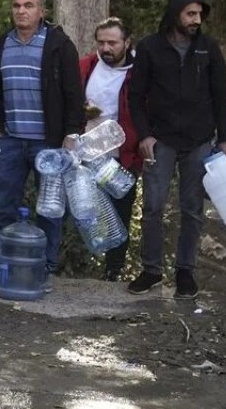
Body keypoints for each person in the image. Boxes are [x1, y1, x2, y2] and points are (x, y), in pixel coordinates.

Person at [127, 0, 226, 300]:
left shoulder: (209, 49)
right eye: (190, 14)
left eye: (199, 15)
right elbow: (136, 96)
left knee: (192, 209)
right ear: (175, 13)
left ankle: (185, 272)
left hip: (199, 140)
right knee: (153, 206)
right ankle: (151, 271)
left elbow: (221, 95)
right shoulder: (150, 48)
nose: (196, 20)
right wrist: (144, 135)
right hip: (160, 139)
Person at [0, 0, 85, 291]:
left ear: (42, 10)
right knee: (2, 203)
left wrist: (71, 134)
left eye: (28, 6)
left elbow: (72, 92)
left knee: (50, 208)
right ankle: (4, 265)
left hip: (48, 142)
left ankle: (45, 268)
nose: (21, 11)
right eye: (16, 5)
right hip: (11, 140)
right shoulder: (2, 44)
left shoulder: (58, 45)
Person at [79, 17, 142, 281]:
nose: (106, 48)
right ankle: (76, 266)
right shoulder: (86, 66)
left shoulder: (139, 71)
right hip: (85, 152)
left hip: (123, 156)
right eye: (101, 42)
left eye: (112, 43)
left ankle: (112, 272)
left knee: (120, 212)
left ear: (126, 42)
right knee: (84, 210)